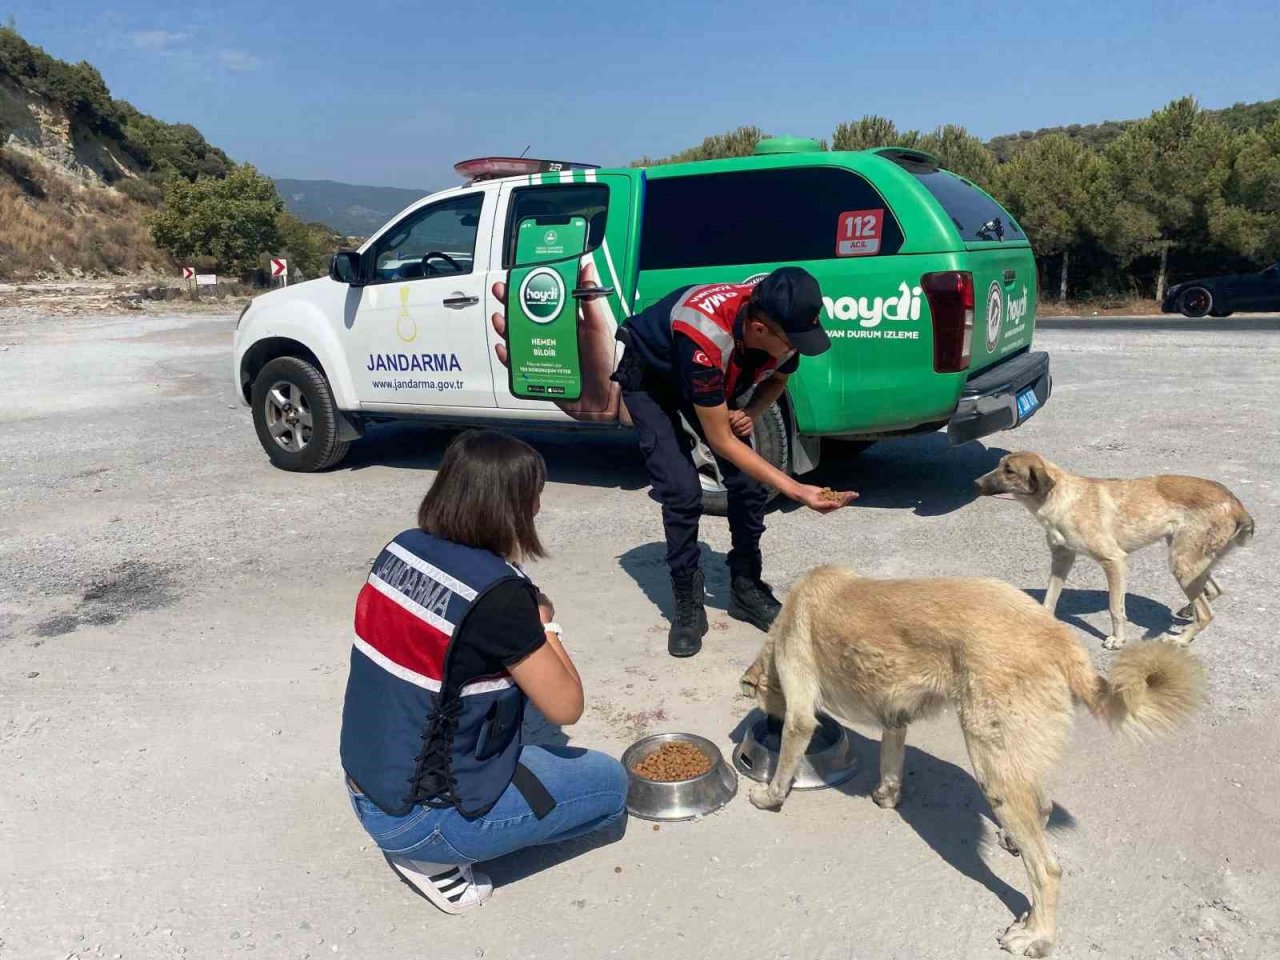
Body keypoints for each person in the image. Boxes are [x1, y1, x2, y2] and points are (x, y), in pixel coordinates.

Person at [340, 430, 627, 915]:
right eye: (533, 494)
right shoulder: (498, 597)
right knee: (610, 786)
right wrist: (544, 621)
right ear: (509, 506)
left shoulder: (401, 550)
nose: (538, 506)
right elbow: (567, 706)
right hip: (421, 819)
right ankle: (435, 860)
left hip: (365, 781)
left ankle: (428, 837)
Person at [613, 267, 856, 657]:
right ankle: (687, 601)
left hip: (706, 378)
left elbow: (777, 379)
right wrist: (797, 489)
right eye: (791, 343)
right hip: (653, 378)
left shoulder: (780, 327)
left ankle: (745, 586)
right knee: (681, 490)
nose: (795, 350)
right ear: (759, 330)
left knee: (746, 484)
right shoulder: (706, 337)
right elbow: (720, 440)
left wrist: (755, 411)